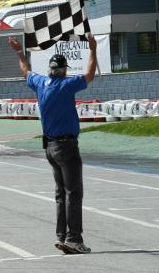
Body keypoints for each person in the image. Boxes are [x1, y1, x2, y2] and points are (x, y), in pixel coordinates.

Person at [8, 35, 97, 254]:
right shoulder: (66, 85)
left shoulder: (40, 83)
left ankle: (61, 235)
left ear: (50, 69)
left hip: (49, 147)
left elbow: (25, 71)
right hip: (66, 146)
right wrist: (93, 50)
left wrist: (20, 52)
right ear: (64, 70)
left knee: (60, 194)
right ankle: (74, 239)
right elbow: (90, 74)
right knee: (73, 193)